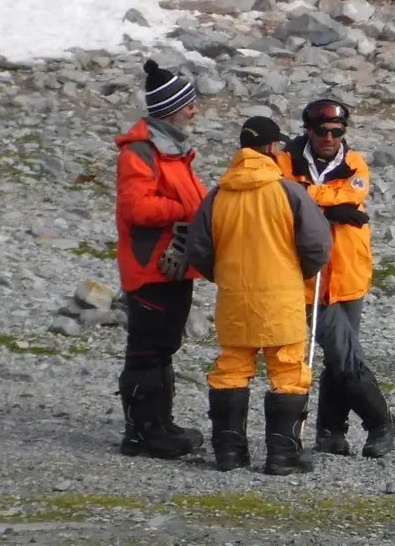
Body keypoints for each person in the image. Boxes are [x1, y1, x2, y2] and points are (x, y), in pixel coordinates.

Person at [184, 116, 332, 475]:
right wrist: (300, 272)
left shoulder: (218, 193)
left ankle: (229, 453)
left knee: (231, 368)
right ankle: (282, 456)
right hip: (281, 296)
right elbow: (318, 245)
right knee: (288, 370)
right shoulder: (288, 191)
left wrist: (224, 277)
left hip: (235, 297)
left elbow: (198, 249)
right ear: (271, 148)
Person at [278, 98, 395, 458]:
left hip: (349, 274)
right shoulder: (286, 161)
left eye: (336, 131)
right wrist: (332, 206)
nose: (329, 138)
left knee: (337, 355)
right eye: (322, 131)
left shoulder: (354, 162)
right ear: (308, 129)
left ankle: (331, 431)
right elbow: (284, 196)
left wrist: (311, 200)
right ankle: (382, 422)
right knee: (344, 352)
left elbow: (353, 191)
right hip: (307, 276)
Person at [112, 59, 207, 459]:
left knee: (164, 346)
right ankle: (141, 432)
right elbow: (137, 208)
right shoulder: (141, 152)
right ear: (172, 108)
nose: (195, 110)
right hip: (150, 266)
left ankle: (160, 424)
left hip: (172, 266)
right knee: (147, 349)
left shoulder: (171, 151)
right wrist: (183, 210)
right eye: (189, 104)